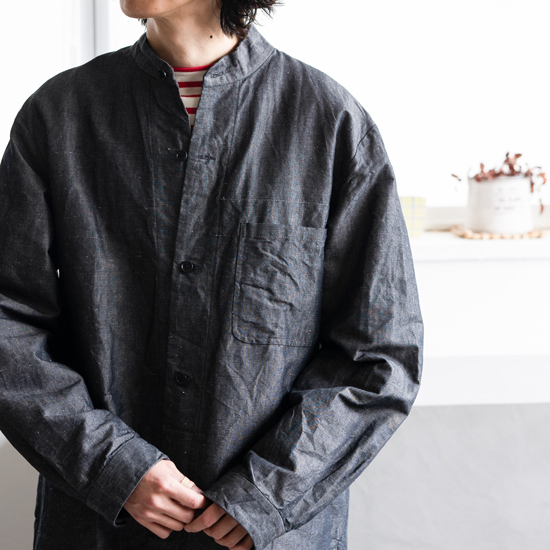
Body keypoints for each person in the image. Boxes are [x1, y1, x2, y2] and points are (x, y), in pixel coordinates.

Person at [0, 0, 424, 549]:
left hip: (272, 536)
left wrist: (267, 492)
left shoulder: (330, 122)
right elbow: (9, 321)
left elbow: (378, 353)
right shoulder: (57, 116)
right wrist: (112, 464)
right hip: (99, 527)